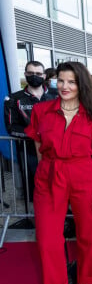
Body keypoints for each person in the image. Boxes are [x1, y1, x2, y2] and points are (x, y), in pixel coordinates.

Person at [25, 61, 92, 284]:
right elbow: (39, 146)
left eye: (71, 82)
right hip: (50, 175)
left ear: (82, 84)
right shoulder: (41, 110)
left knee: (90, 237)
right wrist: (50, 168)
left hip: (84, 174)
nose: (64, 86)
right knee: (48, 239)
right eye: (61, 81)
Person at [4, 60, 57, 204]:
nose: (35, 76)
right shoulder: (14, 99)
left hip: (57, 150)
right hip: (29, 152)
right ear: (25, 74)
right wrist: (37, 135)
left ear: (44, 76)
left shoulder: (56, 96)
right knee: (36, 187)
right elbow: (11, 128)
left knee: (59, 184)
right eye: (31, 73)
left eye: (38, 73)